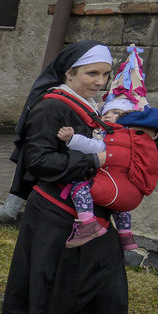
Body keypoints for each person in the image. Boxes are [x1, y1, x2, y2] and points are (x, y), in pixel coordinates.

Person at [2, 42, 127, 314]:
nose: (100, 82)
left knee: (107, 288)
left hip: (93, 215)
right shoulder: (52, 106)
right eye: (92, 73)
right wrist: (95, 162)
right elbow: (38, 162)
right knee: (53, 288)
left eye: (105, 75)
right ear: (69, 73)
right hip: (57, 213)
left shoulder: (95, 109)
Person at [56, 97, 134, 248]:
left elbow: (94, 147)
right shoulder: (132, 137)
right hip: (123, 182)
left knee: (79, 188)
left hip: (107, 179)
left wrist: (72, 139)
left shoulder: (113, 136)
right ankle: (125, 234)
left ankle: (87, 224)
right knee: (120, 206)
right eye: (105, 113)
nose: (108, 115)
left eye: (116, 112)